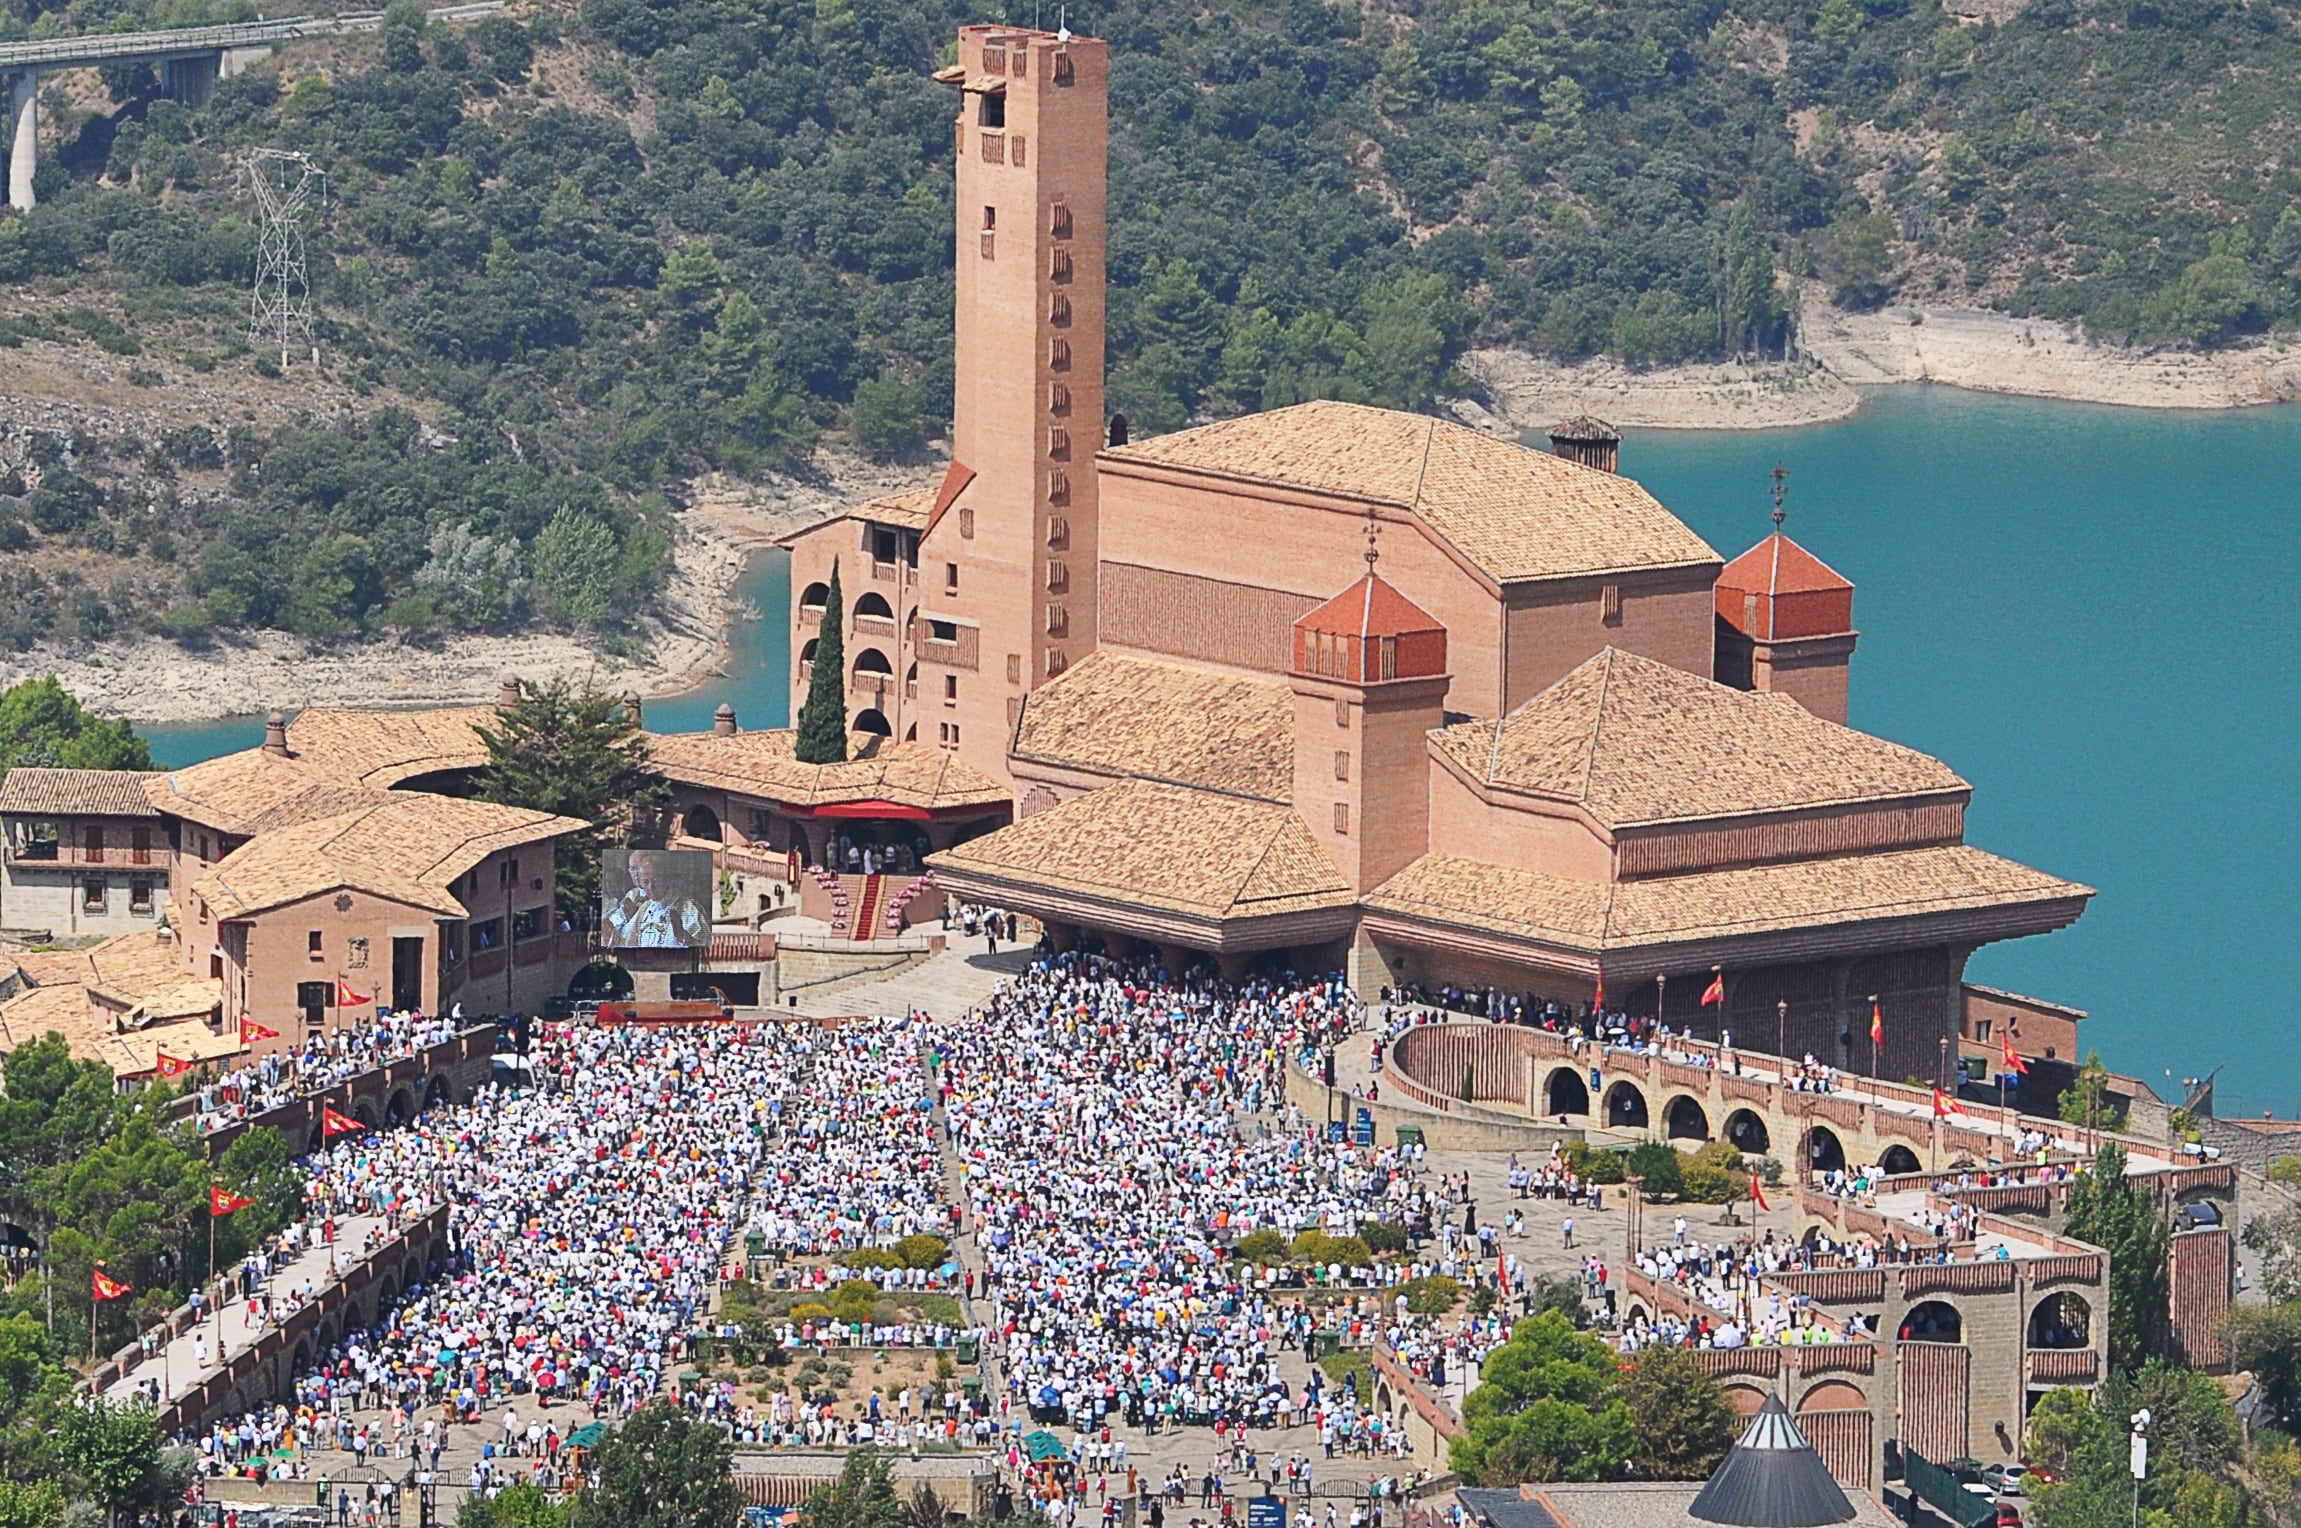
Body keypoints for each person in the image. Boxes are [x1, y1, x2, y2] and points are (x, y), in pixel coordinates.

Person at [604, 852, 709, 948]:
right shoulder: (644, 909)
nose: (651, 887)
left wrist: (683, 936)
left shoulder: (689, 909)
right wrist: (611, 932)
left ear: (666, 878)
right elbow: (626, 941)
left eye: (656, 880)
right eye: (645, 882)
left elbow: (704, 946)